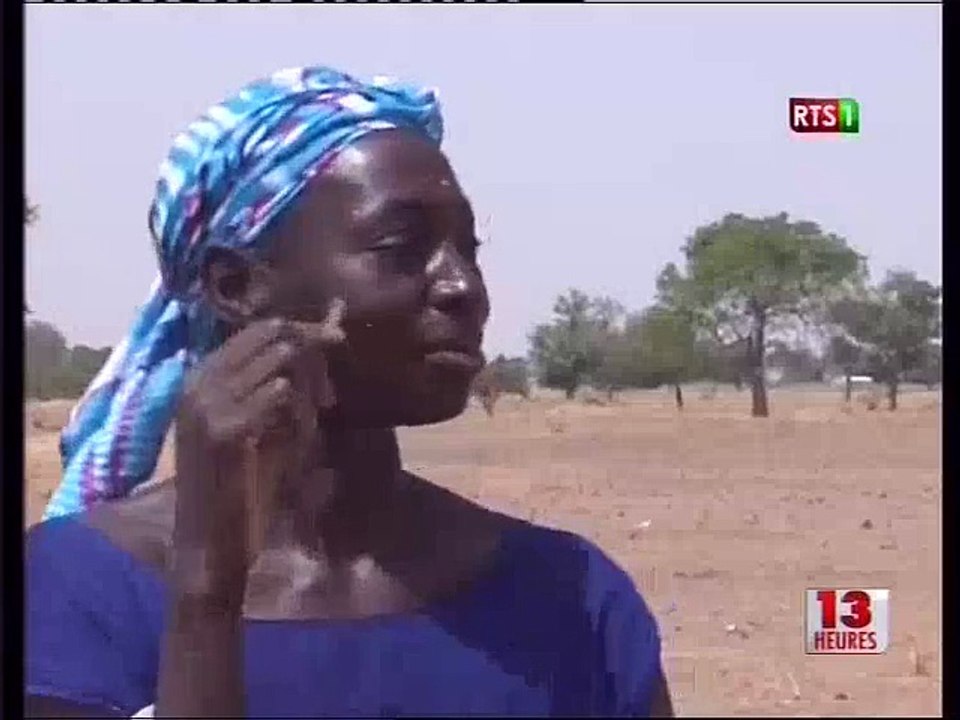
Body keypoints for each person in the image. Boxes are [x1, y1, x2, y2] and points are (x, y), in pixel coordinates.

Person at [25, 66, 673, 719]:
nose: (462, 286)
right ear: (235, 287)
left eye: (467, 249)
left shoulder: (569, 598)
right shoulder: (77, 595)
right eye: (401, 247)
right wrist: (207, 591)